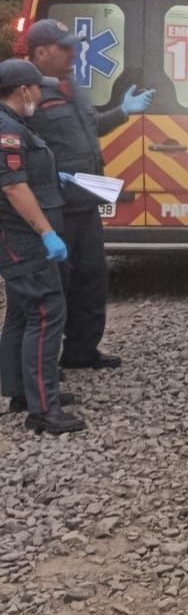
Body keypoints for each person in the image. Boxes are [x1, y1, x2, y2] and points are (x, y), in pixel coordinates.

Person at [25, 18, 154, 369]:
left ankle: (82, 351)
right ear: (40, 53)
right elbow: (18, 150)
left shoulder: (72, 87)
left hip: (84, 205)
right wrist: (47, 178)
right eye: (65, 47)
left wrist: (122, 112)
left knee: (92, 280)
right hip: (53, 210)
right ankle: (43, 369)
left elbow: (90, 126)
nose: (74, 52)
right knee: (56, 287)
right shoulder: (27, 93)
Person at [0, 58, 85, 433]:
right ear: (23, 90)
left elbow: (24, 175)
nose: (40, 94)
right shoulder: (7, 130)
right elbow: (13, 187)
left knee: (21, 315)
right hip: (24, 240)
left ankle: (23, 393)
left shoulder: (15, 124)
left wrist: (52, 176)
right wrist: (46, 231)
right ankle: (44, 410)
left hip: (20, 239)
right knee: (46, 313)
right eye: (37, 87)